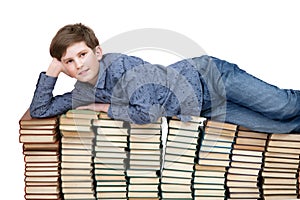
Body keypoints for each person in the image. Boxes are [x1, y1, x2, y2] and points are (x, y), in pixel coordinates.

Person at [30, 23, 300, 133]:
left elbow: (148, 112)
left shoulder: (122, 66)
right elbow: (41, 110)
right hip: (201, 106)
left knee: (284, 107)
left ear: (97, 52)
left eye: (82, 54)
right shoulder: (83, 91)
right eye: (69, 61)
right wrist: (51, 73)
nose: (78, 64)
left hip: (210, 78)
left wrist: (102, 107)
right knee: (282, 127)